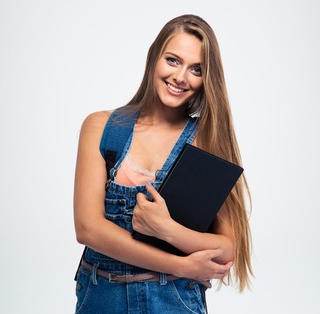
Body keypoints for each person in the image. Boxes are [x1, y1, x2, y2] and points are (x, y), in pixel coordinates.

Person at [73, 14, 253, 313]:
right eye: (173, 60)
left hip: (174, 301)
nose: (181, 77)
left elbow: (227, 249)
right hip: (103, 297)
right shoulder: (102, 127)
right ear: (154, 57)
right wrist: (181, 265)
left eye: (196, 69)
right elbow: (88, 229)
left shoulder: (205, 140)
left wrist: (166, 228)